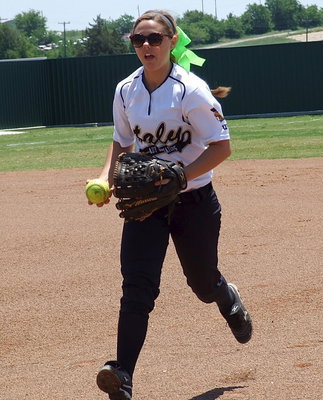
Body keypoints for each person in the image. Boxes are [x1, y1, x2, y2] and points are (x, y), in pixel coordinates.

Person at [90, 9, 253, 400]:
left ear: (172, 41)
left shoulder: (191, 90)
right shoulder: (125, 89)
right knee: (137, 289)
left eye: (154, 39)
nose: (146, 45)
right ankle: (123, 374)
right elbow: (121, 142)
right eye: (138, 40)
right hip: (146, 201)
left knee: (201, 283)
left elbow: (222, 147)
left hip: (194, 200)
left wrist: (182, 175)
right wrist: (105, 177)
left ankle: (225, 295)